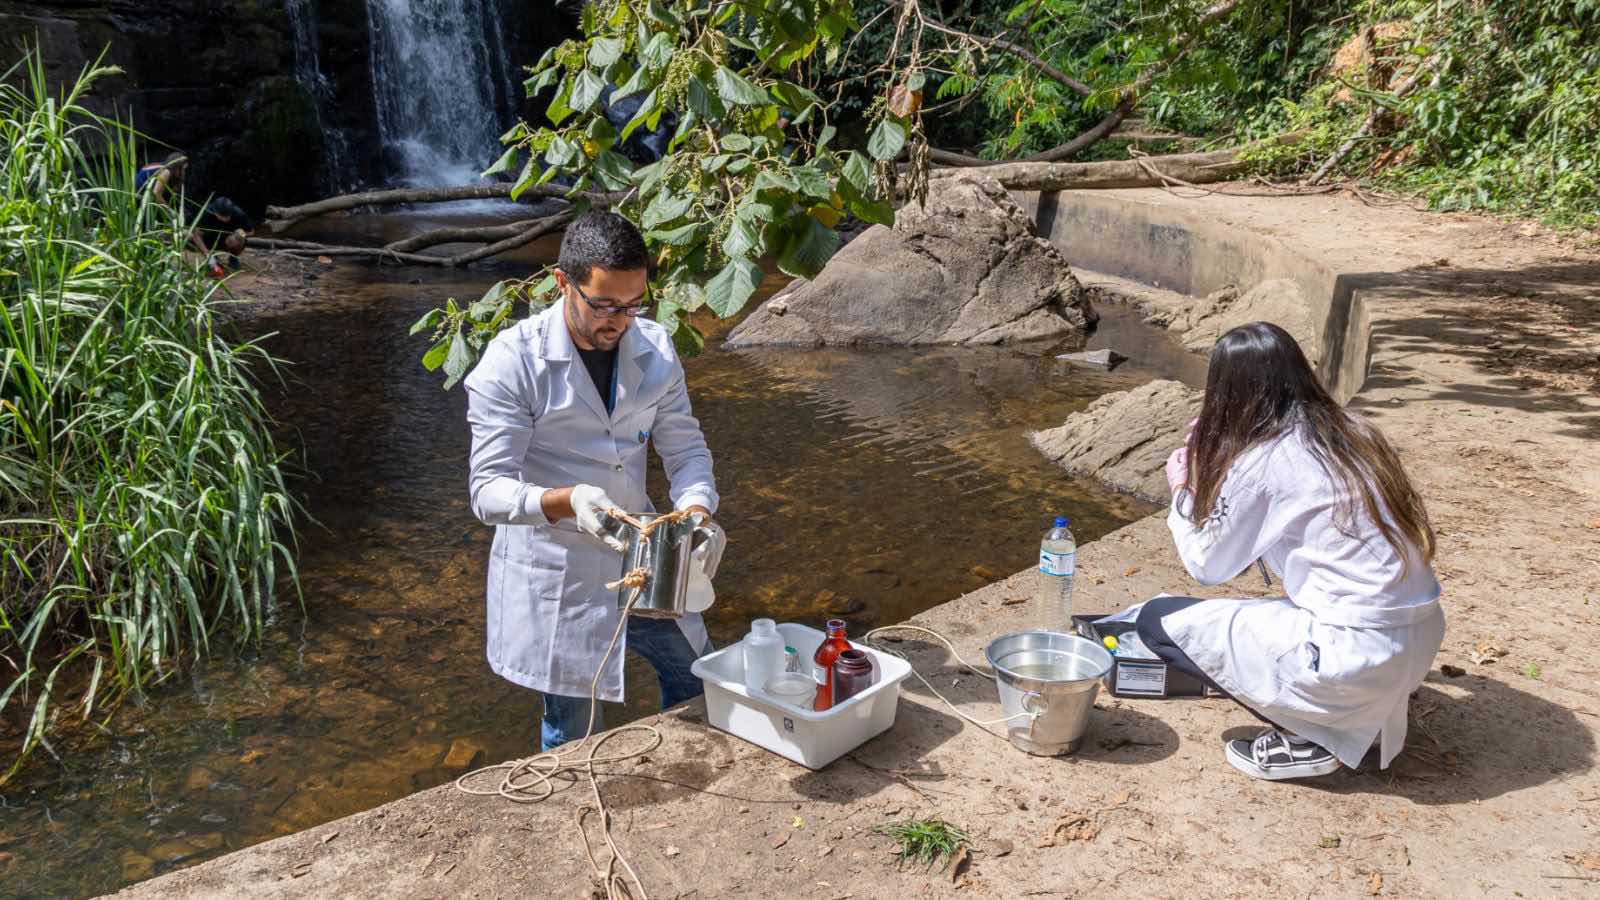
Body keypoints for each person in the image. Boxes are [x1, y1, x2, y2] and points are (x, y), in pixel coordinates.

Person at [464, 211, 725, 753]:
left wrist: (697, 510)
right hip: (558, 566)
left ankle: (688, 768)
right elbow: (487, 491)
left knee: (696, 675)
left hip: (644, 553)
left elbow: (685, 447)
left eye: (633, 305)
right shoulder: (512, 362)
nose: (620, 321)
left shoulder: (655, 348)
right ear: (563, 283)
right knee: (574, 725)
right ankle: (573, 806)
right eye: (604, 305)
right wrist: (568, 500)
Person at [1137, 321, 1443, 781]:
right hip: (1418, 638)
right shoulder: (1356, 433)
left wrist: (1183, 487)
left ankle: (1310, 738)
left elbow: (1207, 565)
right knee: (1255, 621)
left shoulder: (1264, 460)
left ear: (1226, 391)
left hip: (1350, 655)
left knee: (1157, 622)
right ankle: (1361, 715)